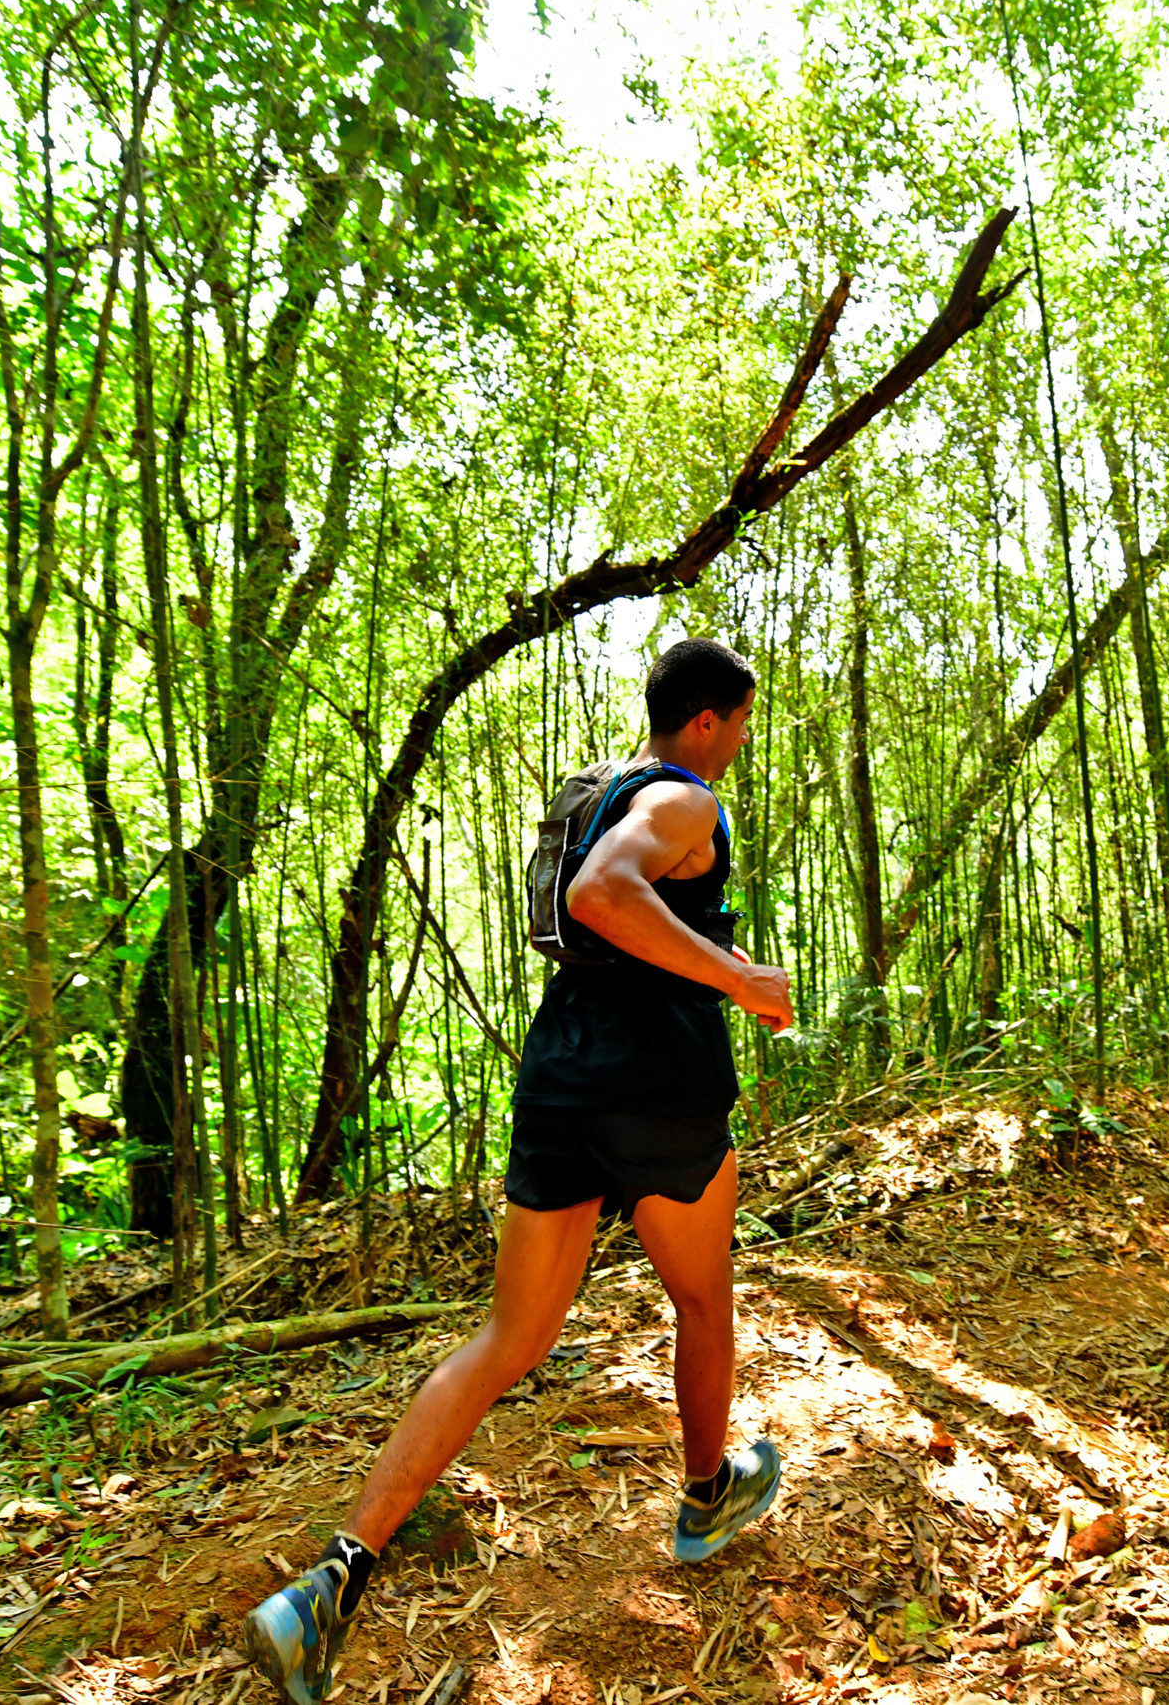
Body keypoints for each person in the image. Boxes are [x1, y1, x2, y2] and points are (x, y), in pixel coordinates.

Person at [245, 637, 796, 1705]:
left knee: (510, 1337)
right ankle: (701, 1499)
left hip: (560, 1070)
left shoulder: (592, 785)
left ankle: (327, 1587)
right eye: (736, 726)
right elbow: (599, 895)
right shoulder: (682, 802)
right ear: (703, 722)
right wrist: (739, 978)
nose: (736, 748)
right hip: (658, 1080)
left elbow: (582, 902)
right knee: (702, 1299)